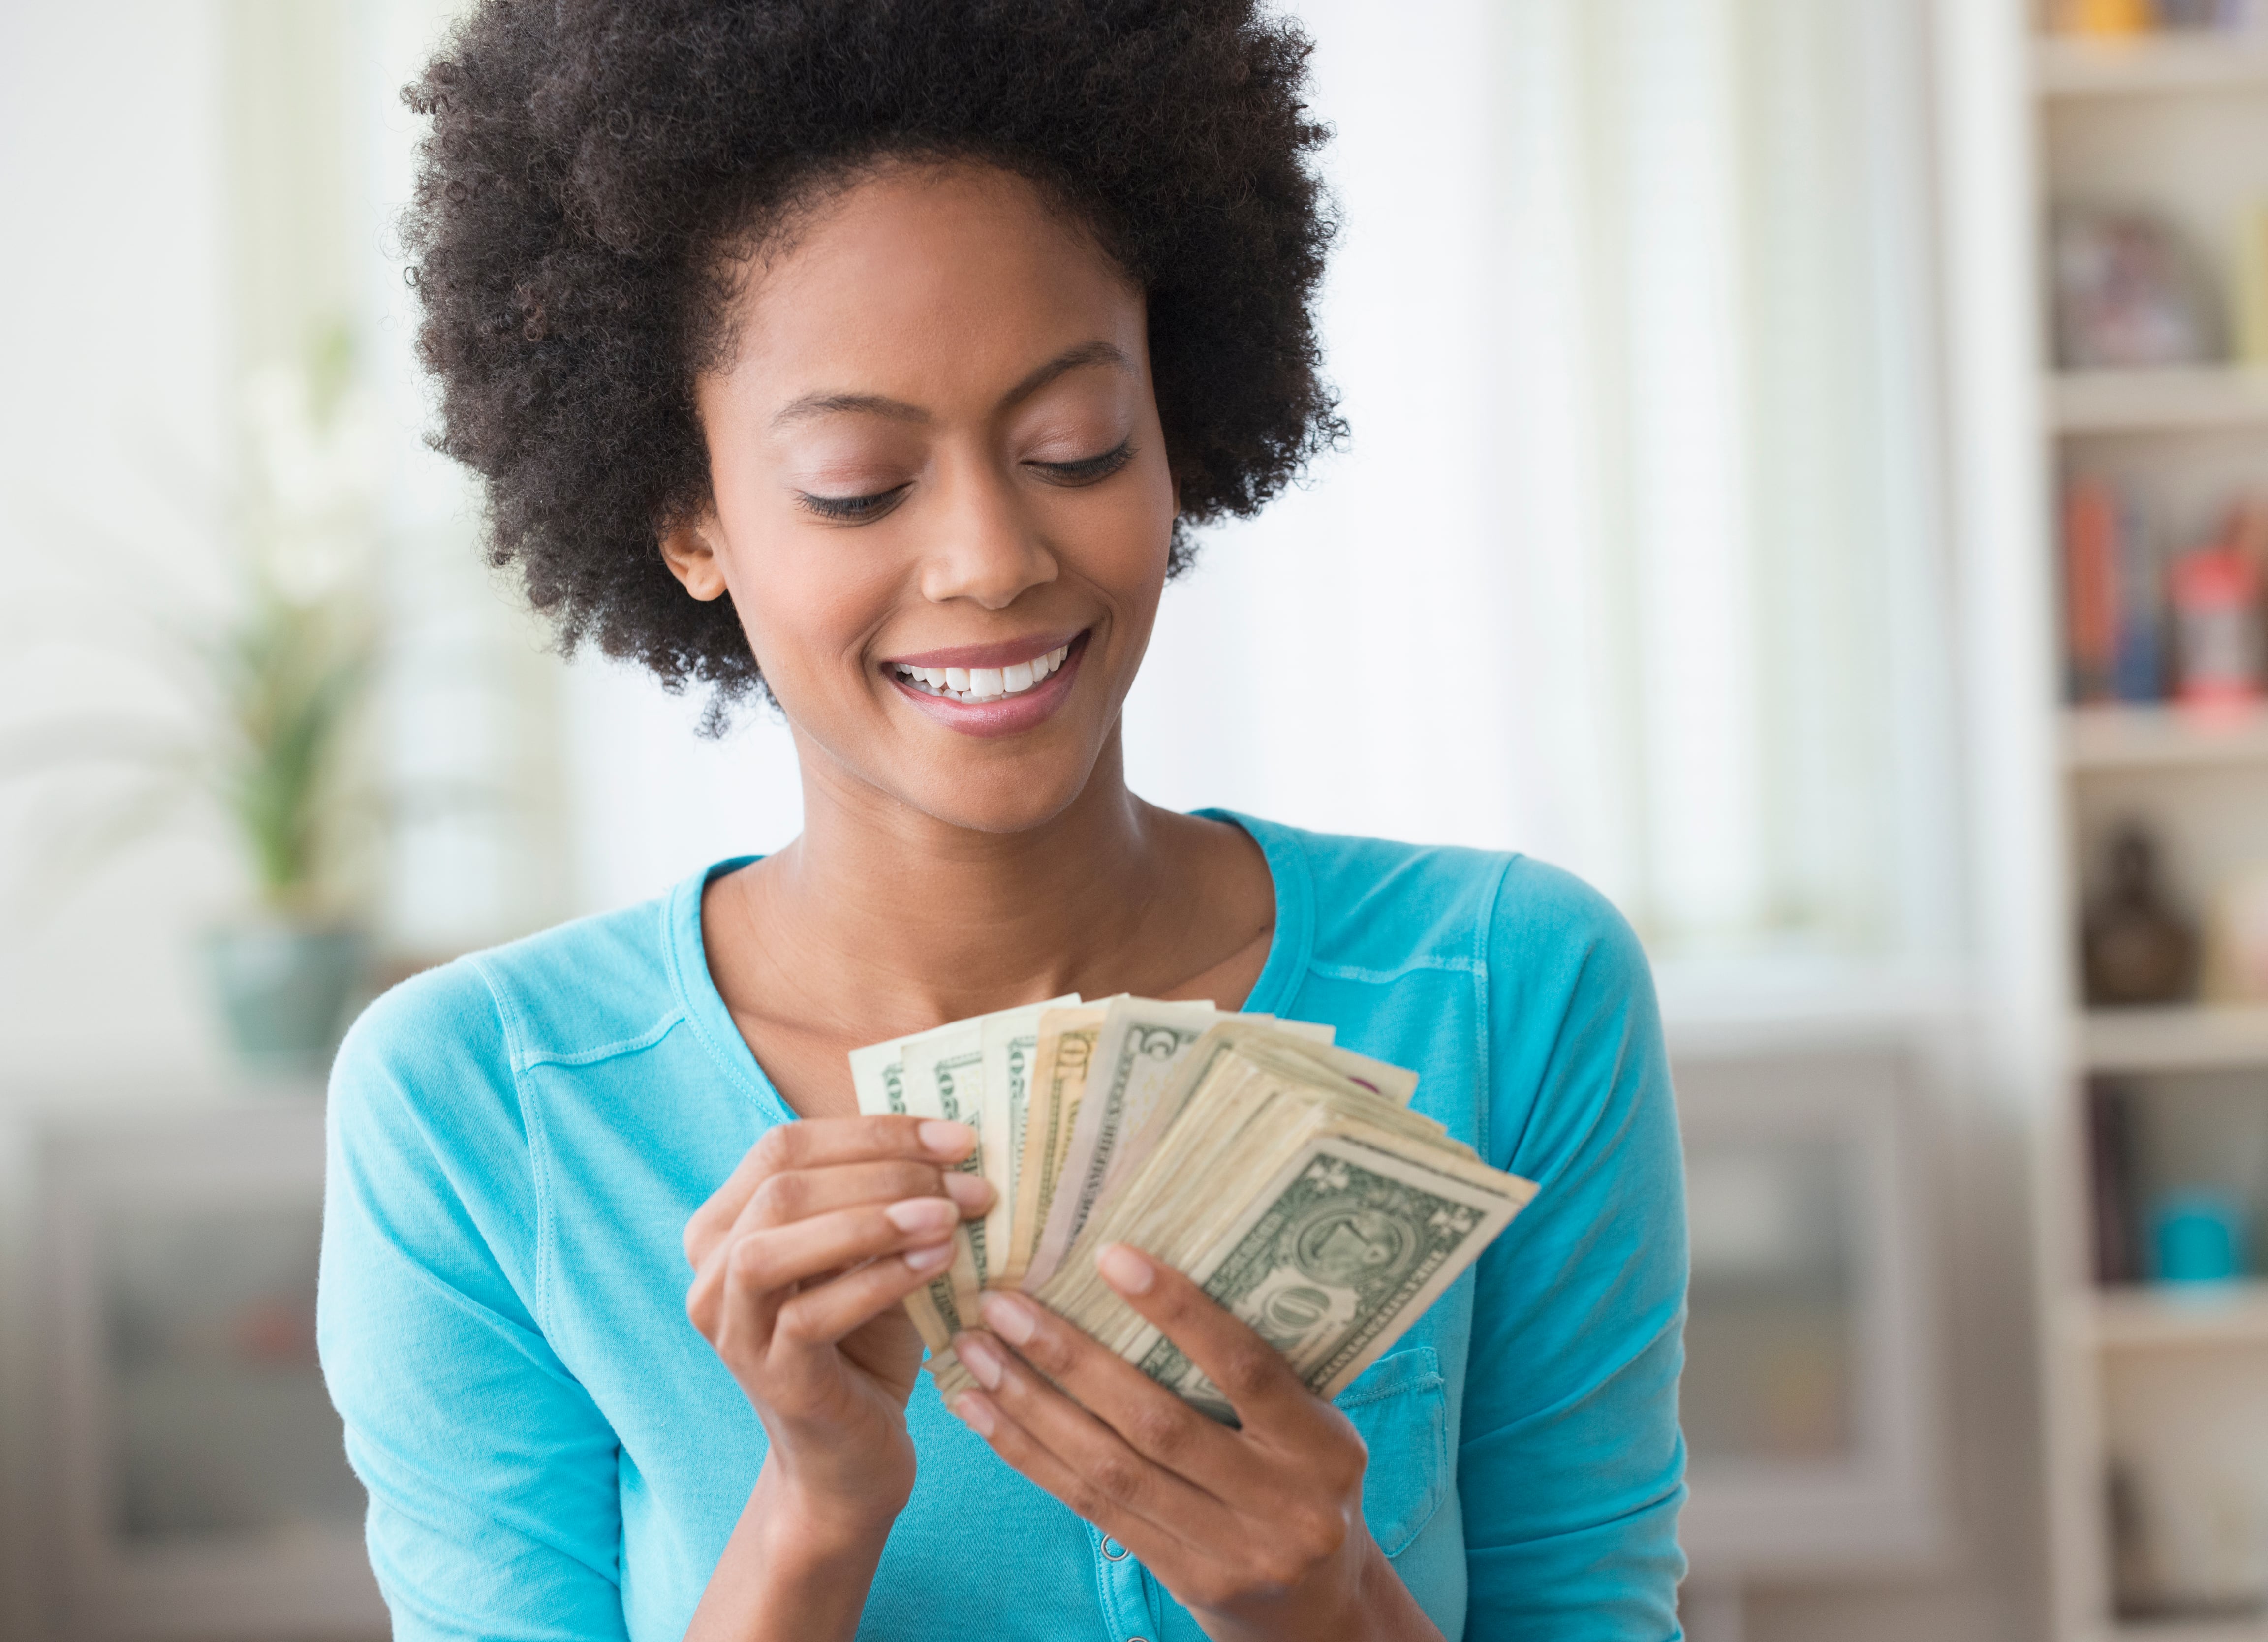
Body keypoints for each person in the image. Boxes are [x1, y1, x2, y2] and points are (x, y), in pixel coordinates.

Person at [315, 2, 1687, 1638]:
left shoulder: (1507, 991)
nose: (989, 557)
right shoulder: (482, 1110)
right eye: (856, 482)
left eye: (1073, 446)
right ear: (688, 515)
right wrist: (811, 1519)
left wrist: (1329, 1605)